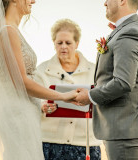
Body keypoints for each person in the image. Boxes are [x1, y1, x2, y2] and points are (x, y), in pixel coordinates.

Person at [0, 0, 76, 159]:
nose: (34, 1)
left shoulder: (5, 30)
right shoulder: (7, 31)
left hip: (19, 111)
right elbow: (21, 82)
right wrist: (63, 96)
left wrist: (41, 104)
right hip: (19, 115)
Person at [74, 0, 138, 159]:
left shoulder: (130, 32)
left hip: (125, 126)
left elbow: (123, 82)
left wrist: (90, 96)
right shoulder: (126, 30)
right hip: (120, 126)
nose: (104, 3)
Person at [35, 19, 102, 160]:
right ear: (54, 43)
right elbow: (31, 102)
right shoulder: (41, 71)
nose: (63, 47)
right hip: (50, 144)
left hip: (86, 145)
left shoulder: (95, 71)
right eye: (59, 43)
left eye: (68, 43)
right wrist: (42, 106)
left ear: (77, 43)